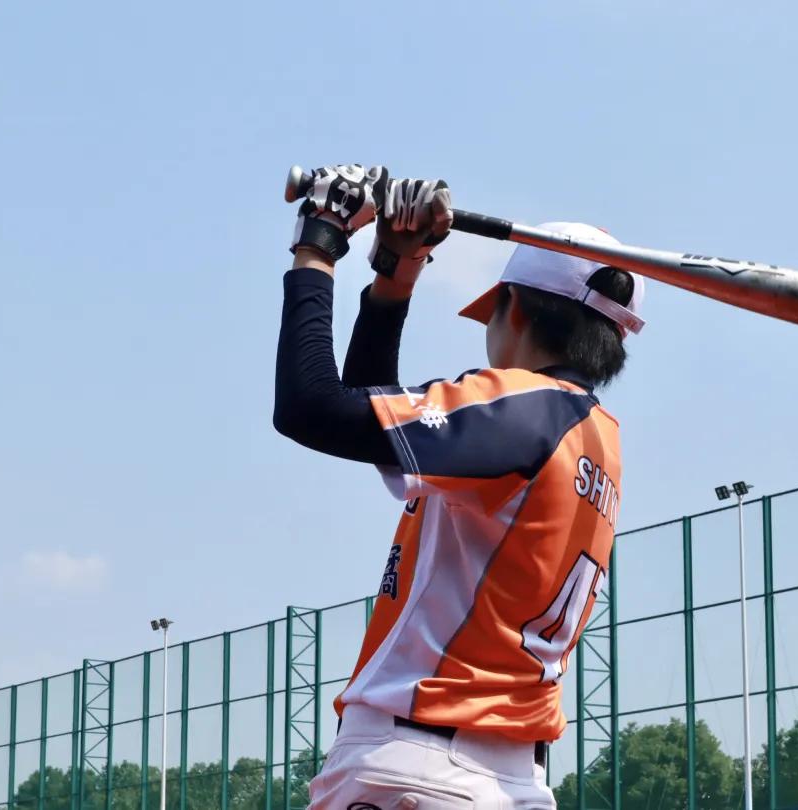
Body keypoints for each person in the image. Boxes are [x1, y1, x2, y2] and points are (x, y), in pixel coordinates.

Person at [274, 164, 645, 809]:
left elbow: (308, 407)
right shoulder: (595, 437)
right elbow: (372, 411)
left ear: (520, 308)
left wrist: (319, 244)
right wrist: (396, 273)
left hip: (418, 766)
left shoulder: (522, 408)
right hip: (511, 780)